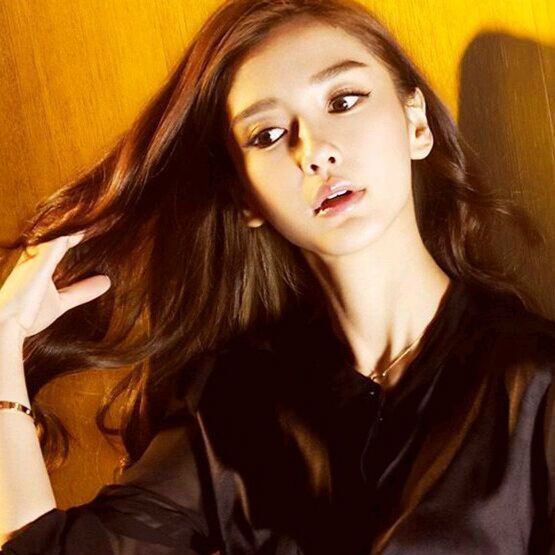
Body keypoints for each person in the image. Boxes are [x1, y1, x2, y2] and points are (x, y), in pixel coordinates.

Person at [0, 0, 554, 553]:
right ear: (246, 197)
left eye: (343, 101)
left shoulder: (535, 388)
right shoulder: (233, 401)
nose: (315, 152)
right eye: (266, 134)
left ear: (416, 124)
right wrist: (2, 345)